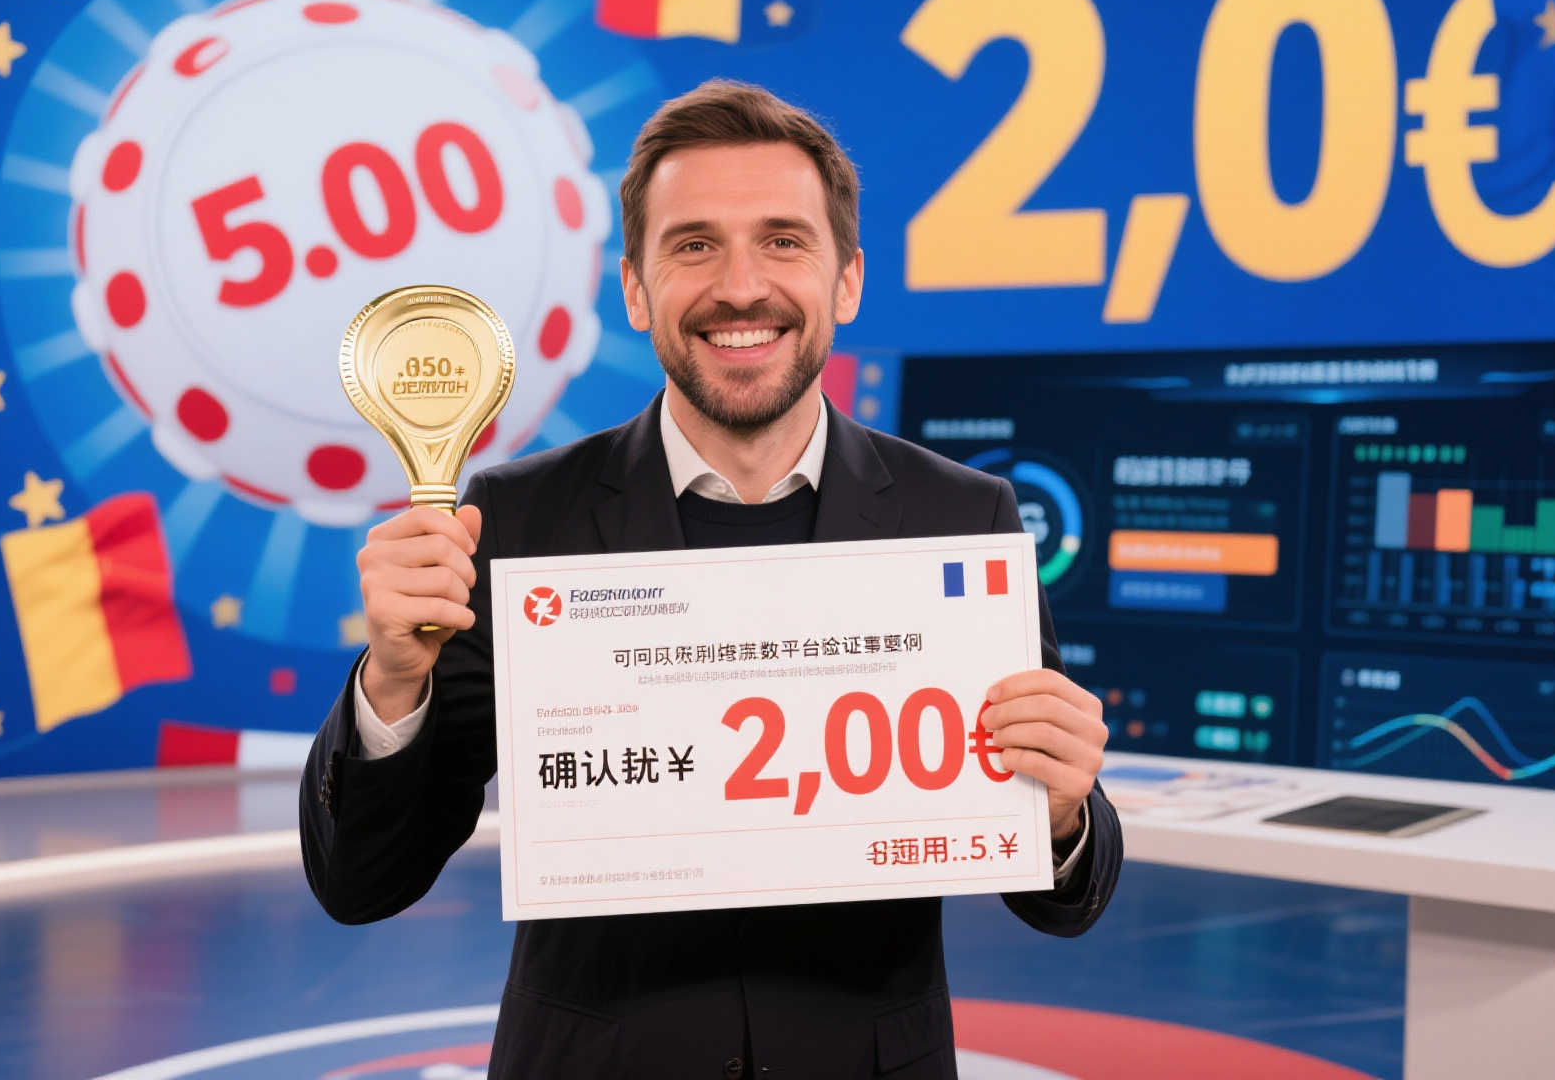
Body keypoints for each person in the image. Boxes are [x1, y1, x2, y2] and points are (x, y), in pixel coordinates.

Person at [300, 80, 1122, 1080]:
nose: (740, 286)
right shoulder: (516, 520)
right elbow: (364, 882)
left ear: (846, 280)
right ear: (635, 289)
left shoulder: (961, 517)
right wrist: (392, 686)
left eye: (783, 240)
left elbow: (1059, 894)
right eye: (693, 245)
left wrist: (1061, 811)